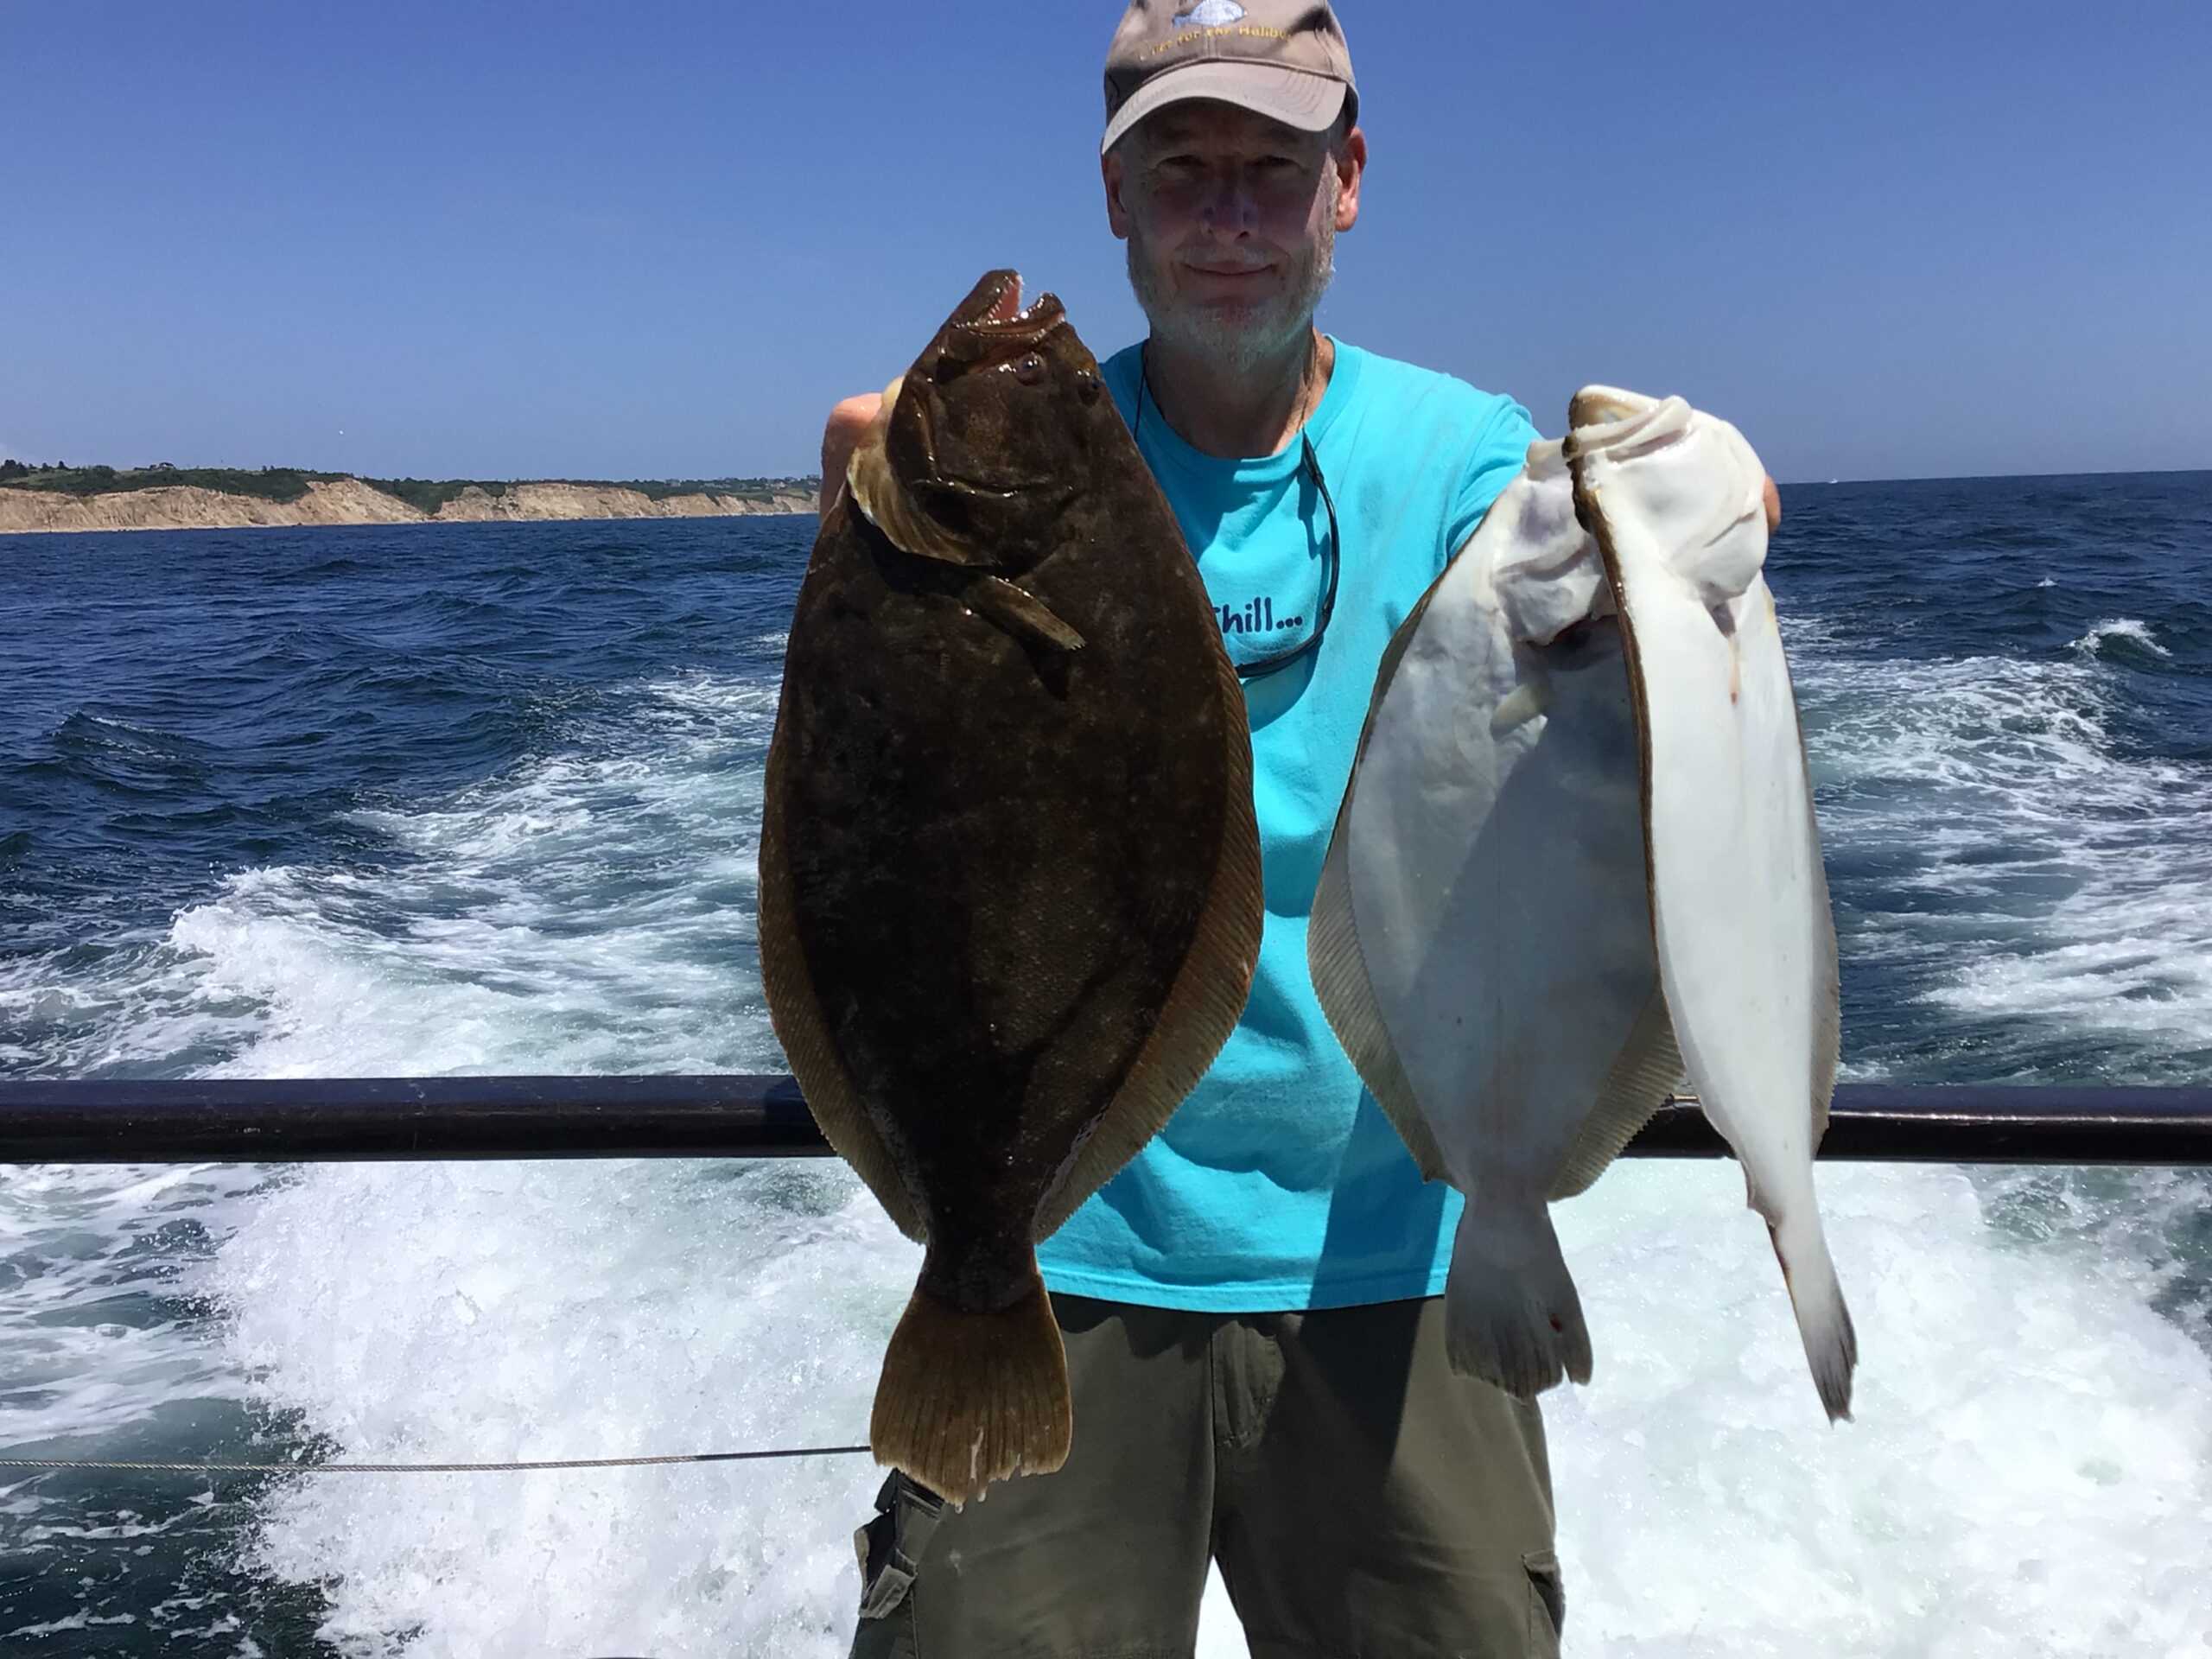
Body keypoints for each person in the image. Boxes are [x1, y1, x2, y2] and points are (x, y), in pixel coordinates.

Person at [818, 5, 1777, 1655]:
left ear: (1348, 183)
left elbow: (1621, 609)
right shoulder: (984, 474)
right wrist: (877, 520)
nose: (1228, 217)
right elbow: (879, 809)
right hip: (1064, 1247)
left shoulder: (1463, 463)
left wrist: (1699, 513)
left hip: (1394, 1247)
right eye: (1180, 168)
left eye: (1272, 168)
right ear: (1113, 196)